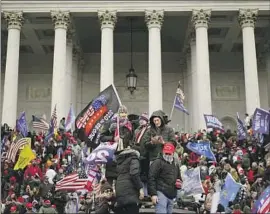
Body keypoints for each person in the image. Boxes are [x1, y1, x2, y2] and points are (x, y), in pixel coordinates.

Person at [148, 143, 181, 214]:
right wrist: (153, 194)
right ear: (163, 152)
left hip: (171, 194)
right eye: (166, 153)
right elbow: (151, 178)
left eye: (169, 153)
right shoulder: (157, 162)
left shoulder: (175, 164)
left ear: (173, 153)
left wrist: (179, 183)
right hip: (161, 192)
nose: (167, 155)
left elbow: (178, 177)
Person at [114, 136, 144, 214]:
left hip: (120, 191)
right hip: (130, 192)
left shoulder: (121, 160)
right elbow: (134, 174)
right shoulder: (134, 159)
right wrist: (140, 188)